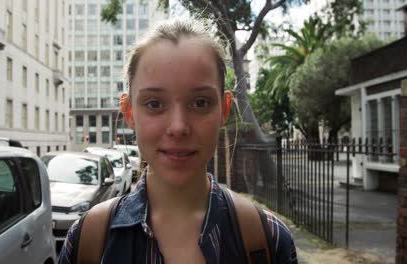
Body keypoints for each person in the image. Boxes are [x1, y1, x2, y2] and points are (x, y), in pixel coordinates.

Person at [58, 18, 298, 264]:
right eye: (154, 104)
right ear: (129, 112)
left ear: (224, 110)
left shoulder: (268, 240)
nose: (178, 127)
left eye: (200, 103)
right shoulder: (87, 241)